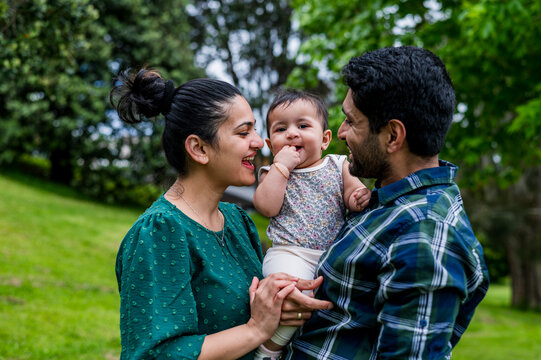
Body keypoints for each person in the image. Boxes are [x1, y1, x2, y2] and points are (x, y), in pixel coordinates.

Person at [284, 46, 490, 359]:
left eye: (352, 122)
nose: (339, 133)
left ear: (393, 136)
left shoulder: (425, 234)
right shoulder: (387, 203)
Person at [110, 68, 330, 360]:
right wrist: (256, 329)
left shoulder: (238, 221)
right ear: (199, 148)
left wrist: (279, 302)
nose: (259, 142)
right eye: (243, 132)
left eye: (255, 129)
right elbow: (156, 354)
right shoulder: (160, 231)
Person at [252, 90, 371, 360]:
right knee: (290, 295)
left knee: (320, 307)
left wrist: (358, 197)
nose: (292, 133)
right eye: (281, 129)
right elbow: (266, 206)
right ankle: (269, 349)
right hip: (289, 253)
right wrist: (281, 167)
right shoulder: (272, 173)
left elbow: (353, 193)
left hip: (331, 258)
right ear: (271, 144)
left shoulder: (339, 164)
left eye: (303, 126)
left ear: (325, 139)